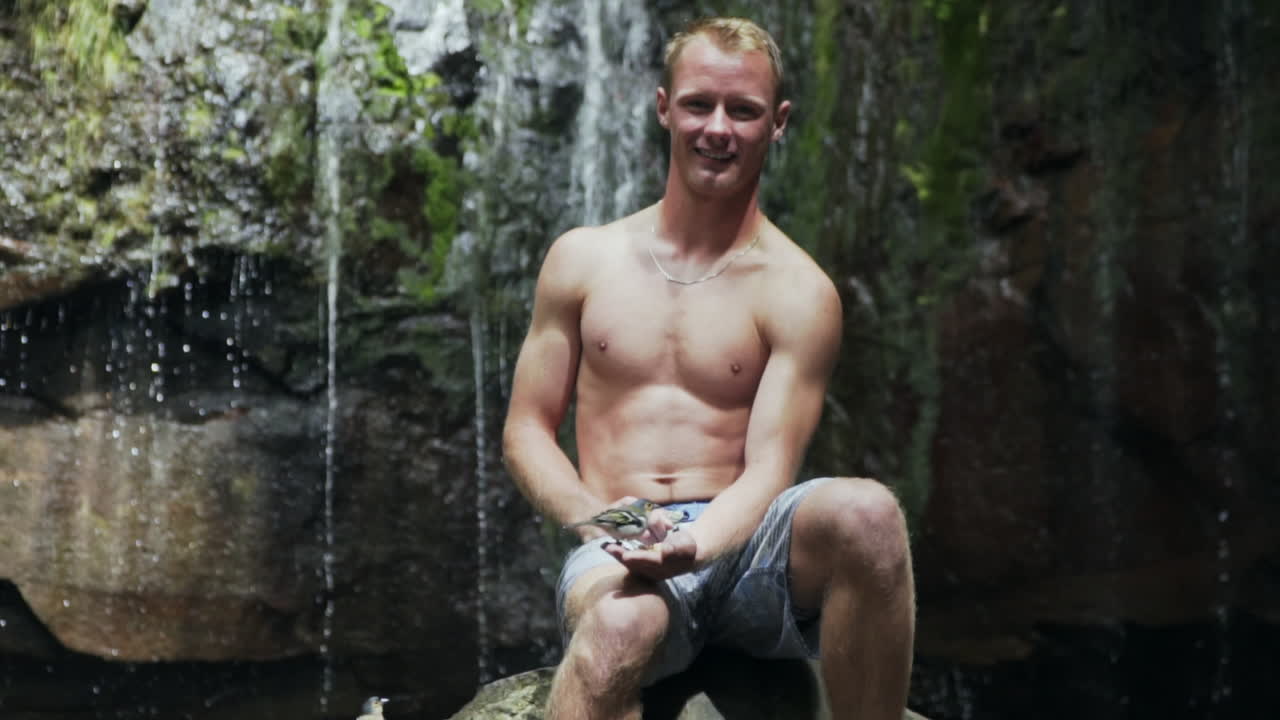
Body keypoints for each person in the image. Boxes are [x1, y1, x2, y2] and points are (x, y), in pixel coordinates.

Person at [501, 16, 915, 720]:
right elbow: (526, 429)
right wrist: (597, 520)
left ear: (778, 123)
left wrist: (698, 543)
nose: (717, 128)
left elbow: (770, 469)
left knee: (869, 514)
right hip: (620, 536)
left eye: (743, 110)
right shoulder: (583, 259)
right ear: (664, 106)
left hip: (746, 544)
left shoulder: (799, 290)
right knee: (618, 630)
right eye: (698, 104)